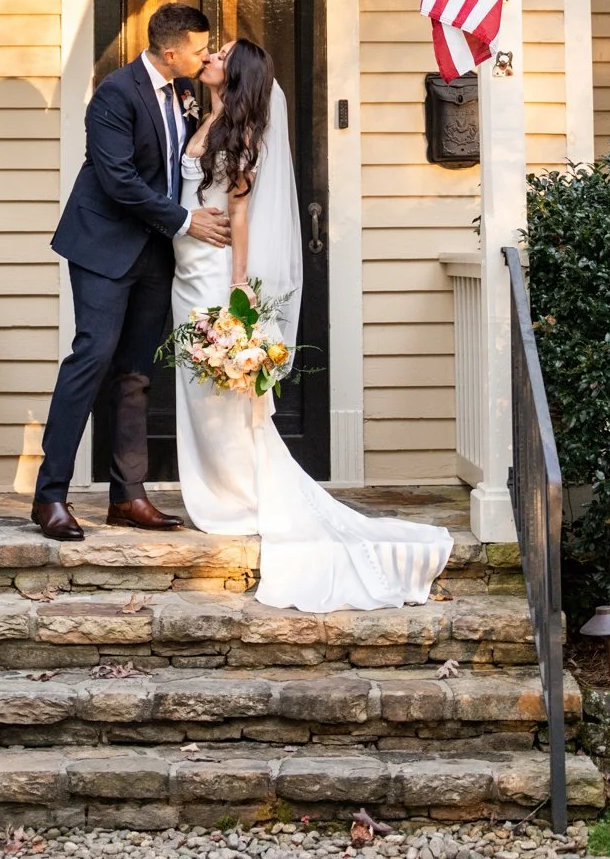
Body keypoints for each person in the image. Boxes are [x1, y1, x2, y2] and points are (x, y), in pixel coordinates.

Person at [173, 38, 453, 610]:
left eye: (222, 54)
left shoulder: (244, 136)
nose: (211, 57)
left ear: (237, 73)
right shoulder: (207, 118)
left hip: (215, 272)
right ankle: (218, 486)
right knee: (198, 388)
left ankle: (237, 494)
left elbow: (241, 214)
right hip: (186, 268)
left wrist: (238, 287)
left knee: (218, 389)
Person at [32, 3, 232, 541]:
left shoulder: (182, 91)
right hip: (104, 246)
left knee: (136, 375)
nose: (206, 55)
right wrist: (186, 221)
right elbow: (118, 179)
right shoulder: (115, 94)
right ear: (169, 52)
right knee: (91, 358)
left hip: (155, 253)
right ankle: (49, 496)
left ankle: (128, 496)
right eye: (198, 49)